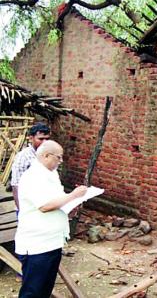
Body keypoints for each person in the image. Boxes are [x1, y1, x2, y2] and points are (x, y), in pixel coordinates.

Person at [15, 140, 87, 298]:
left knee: (45, 288)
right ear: (46, 156)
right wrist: (73, 195)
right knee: (33, 290)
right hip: (37, 244)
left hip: (52, 241)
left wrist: (70, 204)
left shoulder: (51, 174)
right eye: (58, 157)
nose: (61, 161)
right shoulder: (33, 176)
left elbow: (58, 198)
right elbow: (45, 205)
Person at [11, 123, 51, 210]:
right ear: (31, 138)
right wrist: (21, 210)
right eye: (40, 139)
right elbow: (16, 185)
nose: (44, 142)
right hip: (27, 205)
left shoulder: (49, 155)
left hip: (44, 203)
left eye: (47, 139)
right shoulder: (23, 156)